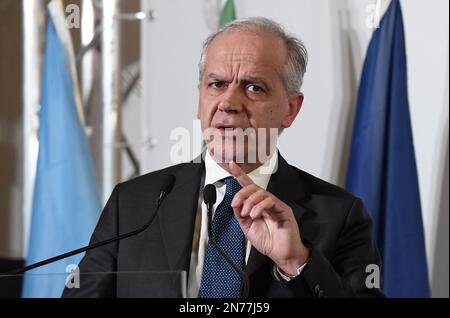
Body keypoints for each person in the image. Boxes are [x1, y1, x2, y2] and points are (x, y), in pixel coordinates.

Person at [63, 17, 384, 298]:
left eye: (254, 88)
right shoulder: (134, 203)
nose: (228, 103)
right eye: (216, 84)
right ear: (200, 97)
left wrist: (297, 261)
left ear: (290, 108)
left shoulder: (340, 215)